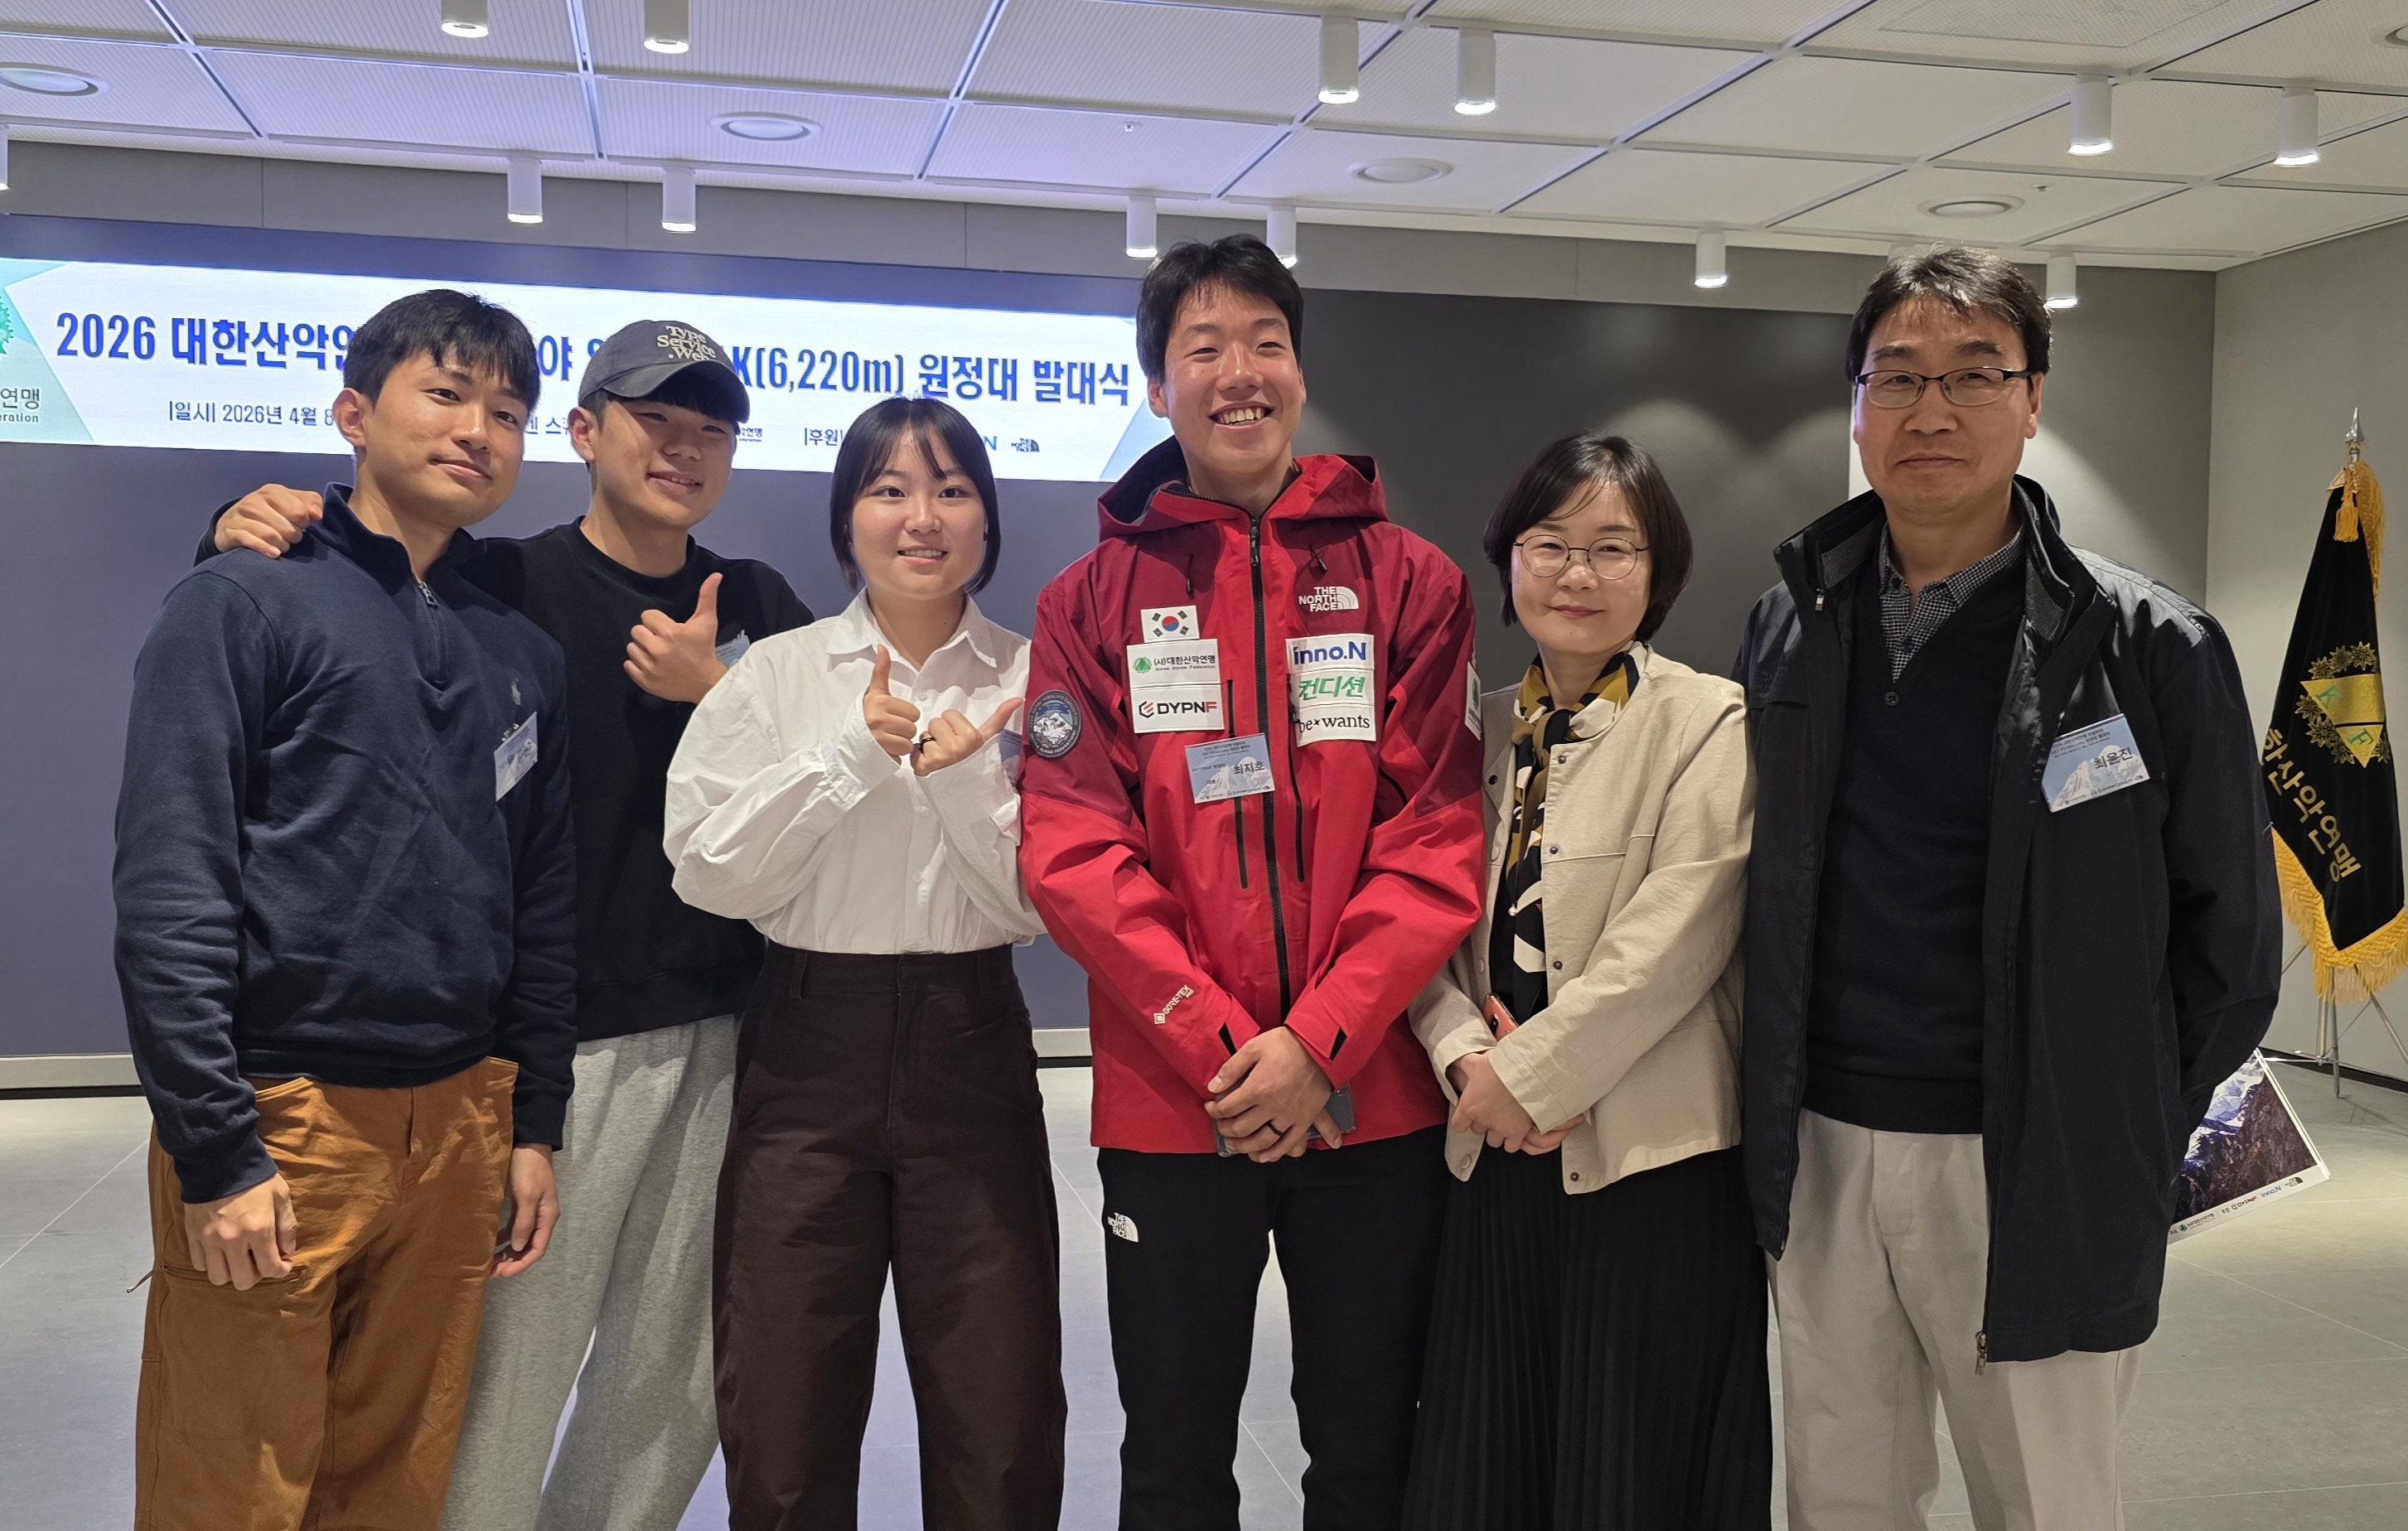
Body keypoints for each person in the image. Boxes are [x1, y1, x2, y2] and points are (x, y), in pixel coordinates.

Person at [203, 321, 814, 1531]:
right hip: (559, 1047)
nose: (684, 449)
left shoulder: (755, 600)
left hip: (735, 1037)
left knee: (674, 1373)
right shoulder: (502, 582)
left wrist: (724, 693)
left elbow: (841, 759)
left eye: (711, 430)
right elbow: (344, 586)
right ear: (584, 433)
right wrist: (235, 521)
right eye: (655, 420)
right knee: (508, 1370)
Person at [1734, 245, 2280, 1529]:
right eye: (1897, 376)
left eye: (1974, 375)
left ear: (2031, 400)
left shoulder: (2147, 644)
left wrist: (2116, 1111)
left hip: (2036, 1155)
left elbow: (2232, 948)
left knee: (2043, 1502)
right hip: (1820, 1143)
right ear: (1855, 405)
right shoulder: (1790, 624)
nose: (1931, 410)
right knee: (1838, 1496)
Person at [1017, 234, 1487, 1530]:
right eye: (1203, 348)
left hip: (1371, 1102)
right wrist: (1229, 1047)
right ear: (1155, 385)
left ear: (1300, 370)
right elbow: (1072, 847)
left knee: (1370, 1451)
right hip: (1178, 1104)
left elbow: (1432, 837)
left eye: (1265, 344)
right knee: (1172, 1460)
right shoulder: (1088, 600)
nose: (1239, 374)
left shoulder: (1411, 582)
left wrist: (1319, 1042)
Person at [114, 288, 578, 1531]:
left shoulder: (518, 649)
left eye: (508, 413)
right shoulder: (240, 601)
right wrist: (216, 1147)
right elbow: (172, 883)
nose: (478, 430)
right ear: (354, 413)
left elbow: (540, 898)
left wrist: (531, 1120)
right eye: (447, 394)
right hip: (285, 1116)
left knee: (395, 1484)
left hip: (461, 1121)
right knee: (231, 1489)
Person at [665, 396, 1062, 1531]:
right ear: (848, 519)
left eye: (951, 490)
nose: (921, 517)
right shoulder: (776, 675)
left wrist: (965, 781)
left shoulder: (1036, 681)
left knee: (999, 1403)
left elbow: (1041, 906)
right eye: (889, 490)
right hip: (806, 1049)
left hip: (972, 1040)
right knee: (783, 1400)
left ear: (986, 519)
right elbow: (708, 873)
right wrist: (845, 756)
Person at [1405, 432, 1770, 1529]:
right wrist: (1464, 1060)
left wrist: (1532, 1079)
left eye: (1613, 548)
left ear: (1659, 572)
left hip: (1651, 1168)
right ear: (1507, 560)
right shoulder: (1467, 730)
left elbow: (1677, 938)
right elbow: (1416, 924)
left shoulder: (1707, 719)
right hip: (1488, 1149)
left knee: (1634, 1467)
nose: (1578, 573)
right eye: (1550, 544)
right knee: (1495, 1457)